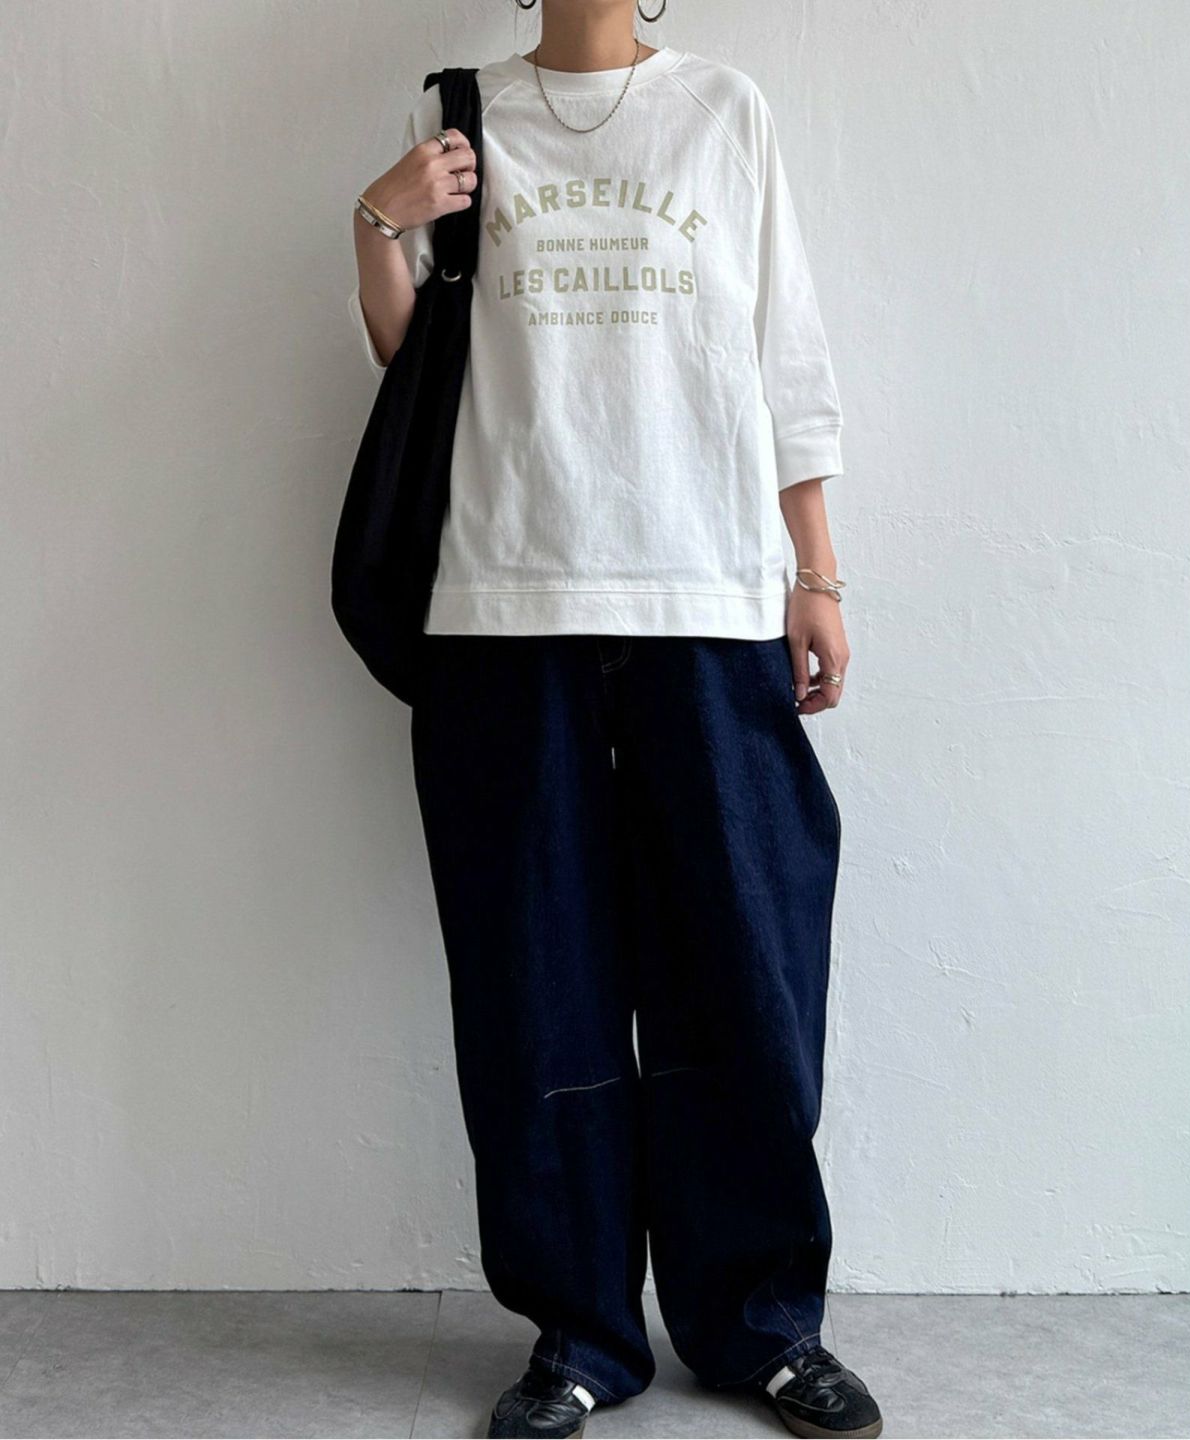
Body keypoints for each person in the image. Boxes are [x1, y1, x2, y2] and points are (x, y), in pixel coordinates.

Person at [348, 4, 882, 1436]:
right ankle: (579, 1334)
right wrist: (378, 225)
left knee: (744, 967)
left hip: (707, 595)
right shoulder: (460, 109)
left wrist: (815, 571)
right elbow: (419, 369)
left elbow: (784, 352)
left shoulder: (724, 110)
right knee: (537, 986)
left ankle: (762, 1323)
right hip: (502, 602)